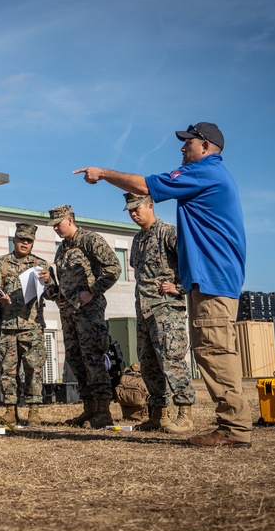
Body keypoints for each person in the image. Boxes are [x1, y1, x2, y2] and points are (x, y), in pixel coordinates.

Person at [75, 121, 251, 448]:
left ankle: (234, 429)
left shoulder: (206, 172)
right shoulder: (209, 175)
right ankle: (229, 425)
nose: (183, 149)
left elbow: (145, 185)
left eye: (189, 143)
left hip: (213, 278)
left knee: (214, 351)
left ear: (207, 146)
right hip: (211, 279)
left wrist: (103, 172)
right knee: (210, 350)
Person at [43, 205, 121, 429]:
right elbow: (65, 283)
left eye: (59, 223)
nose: (56, 228)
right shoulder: (62, 250)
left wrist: (93, 291)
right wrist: (56, 293)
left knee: (94, 359)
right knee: (76, 360)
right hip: (68, 314)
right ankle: (89, 409)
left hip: (89, 312)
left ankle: (103, 412)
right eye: (54, 225)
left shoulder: (90, 240)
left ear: (70, 219)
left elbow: (113, 268)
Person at [124, 193, 195, 433]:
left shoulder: (169, 233)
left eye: (137, 208)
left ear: (150, 206)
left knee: (172, 360)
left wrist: (180, 288)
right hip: (144, 311)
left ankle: (185, 414)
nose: (134, 214)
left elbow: (194, 260)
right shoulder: (138, 240)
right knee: (148, 364)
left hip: (166, 310)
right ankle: (159, 414)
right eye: (130, 211)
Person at [0, 222, 51, 426]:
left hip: (33, 327)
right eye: (21, 239)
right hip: (7, 327)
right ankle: (10, 410)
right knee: (8, 370)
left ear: (33, 243)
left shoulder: (41, 266)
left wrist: (49, 281)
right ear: (14, 240)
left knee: (34, 369)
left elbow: (54, 294)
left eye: (29, 240)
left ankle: (34, 411)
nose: (25, 243)